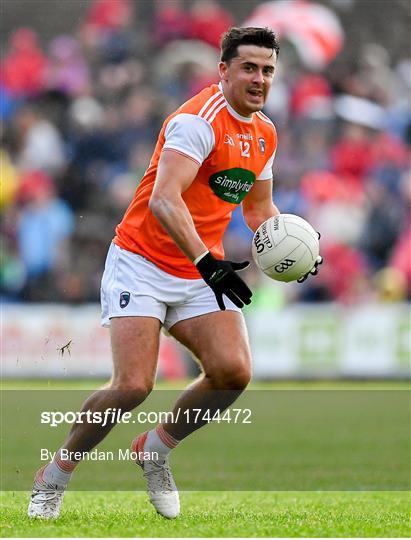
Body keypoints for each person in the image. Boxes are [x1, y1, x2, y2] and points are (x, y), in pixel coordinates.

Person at [28, 27, 321, 520]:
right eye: (249, 67)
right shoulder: (195, 122)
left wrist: (296, 247)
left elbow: (259, 209)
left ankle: (156, 450)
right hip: (142, 262)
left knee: (233, 373)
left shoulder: (264, 132)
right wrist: (209, 264)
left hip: (200, 268)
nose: (260, 78)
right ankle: (54, 475)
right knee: (131, 387)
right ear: (223, 70)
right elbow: (165, 201)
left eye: (268, 69)